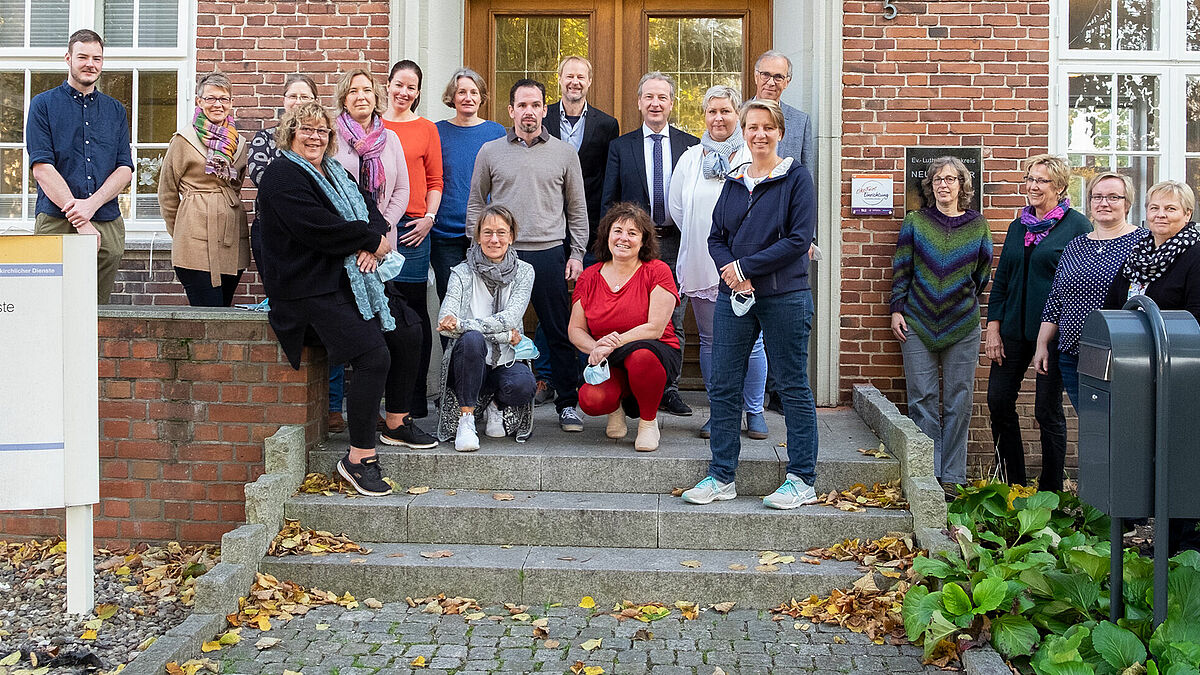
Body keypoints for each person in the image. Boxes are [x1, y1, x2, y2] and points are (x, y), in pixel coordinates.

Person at [256, 103, 437, 495]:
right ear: (290, 133)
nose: (315, 137)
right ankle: (358, 458)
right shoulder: (282, 175)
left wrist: (372, 245)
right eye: (306, 129)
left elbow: (370, 212)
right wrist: (368, 240)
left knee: (409, 328)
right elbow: (316, 229)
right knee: (373, 356)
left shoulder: (336, 172)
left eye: (322, 131)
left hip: (351, 275)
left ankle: (396, 421)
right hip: (307, 287)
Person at [681, 99, 818, 510]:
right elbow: (715, 237)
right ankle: (722, 475)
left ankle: (802, 479)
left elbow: (798, 240)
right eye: (752, 127)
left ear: (780, 133)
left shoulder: (797, 179)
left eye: (767, 127)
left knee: (792, 385)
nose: (760, 134)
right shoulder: (734, 181)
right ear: (744, 132)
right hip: (734, 297)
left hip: (785, 296)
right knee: (723, 386)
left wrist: (745, 266)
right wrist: (730, 269)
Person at [466, 78, 589, 433]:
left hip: (550, 252)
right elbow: (476, 203)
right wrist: (477, 248)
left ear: (544, 110)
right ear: (511, 111)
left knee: (559, 330)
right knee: (497, 331)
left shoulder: (564, 153)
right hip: (502, 257)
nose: (529, 111)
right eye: (522, 105)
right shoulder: (490, 151)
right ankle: (488, 404)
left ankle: (567, 402)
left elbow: (577, 208)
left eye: (535, 105)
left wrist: (576, 253)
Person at [1103, 180, 1200, 555]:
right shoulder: (1139, 252)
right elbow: (1115, 305)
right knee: (1147, 448)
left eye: (1171, 209)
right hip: (1138, 369)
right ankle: (1151, 528)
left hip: (1178, 370)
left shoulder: (1193, 255)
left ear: (1187, 215)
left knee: (1177, 452)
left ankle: (1179, 543)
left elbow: (1194, 316)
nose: (1161, 215)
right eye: (1155, 208)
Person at [667, 85, 769, 440]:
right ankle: (720, 412)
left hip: (743, 264)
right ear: (704, 116)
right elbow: (676, 207)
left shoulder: (751, 154)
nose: (718, 118)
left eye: (725, 111)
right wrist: (703, 237)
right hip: (701, 260)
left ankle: (754, 411)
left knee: (752, 340)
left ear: (737, 115)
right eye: (712, 112)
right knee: (710, 341)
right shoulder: (691, 158)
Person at [986, 154, 1092, 492]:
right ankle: (1013, 483)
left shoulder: (1078, 227)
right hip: (1013, 331)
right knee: (998, 400)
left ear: (1060, 187)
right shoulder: (1019, 226)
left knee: (1047, 411)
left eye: (1041, 180)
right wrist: (993, 327)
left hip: (1056, 332)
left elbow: (1079, 282)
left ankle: (1051, 491)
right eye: (1030, 179)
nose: (1033, 186)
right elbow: (1002, 279)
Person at [889, 156, 993, 498]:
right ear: (930, 186)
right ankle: (928, 473)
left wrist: (959, 300)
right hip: (916, 321)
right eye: (937, 180)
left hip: (963, 324)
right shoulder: (915, 222)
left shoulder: (977, 225)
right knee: (922, 398)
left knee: (959, 400)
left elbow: (982, 273)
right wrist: (897, 309)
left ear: (962, 185)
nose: (943, 185)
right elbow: (902, 268)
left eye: (951, 179)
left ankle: (953, 476)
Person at [601, 72, 699, 417]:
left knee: (673, 318)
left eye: (662, 98)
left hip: (675, 243)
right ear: (639, 102)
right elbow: (609, 202)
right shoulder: (621, 146)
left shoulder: (692, 146)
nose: (655, 104)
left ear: (672, 103)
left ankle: (668, 389)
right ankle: (629, 387)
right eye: (649, 97)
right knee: (629, 313)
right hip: (632, 247)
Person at [330, 68, 413, 437]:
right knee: (357, 334)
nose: (361, 96)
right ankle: (337, 410)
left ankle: (388, 414)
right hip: (347, 249)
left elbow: (402, 192)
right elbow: (330, 193)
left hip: (382, 246)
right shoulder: (331, 138)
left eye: (367, 90)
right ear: (343, 98)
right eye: (353, 91)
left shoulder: (390, 139)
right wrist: (362, 242)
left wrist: (379, 237)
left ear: (376, 97)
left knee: (395, 330)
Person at [535, 55, 621, 405]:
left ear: (589, 81)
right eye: (569, 75)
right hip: (548, 223)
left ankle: (589, 373)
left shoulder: (607, 124)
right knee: (551, 301)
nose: (575, 82)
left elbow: (607, 176)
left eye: (581, 76)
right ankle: (545, 376)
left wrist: (602, 228)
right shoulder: (542, 116)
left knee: (586, 303)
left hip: (588, 228)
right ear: (559, 79)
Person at [28, 29, 132, 304]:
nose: (90, 64)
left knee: (96, 310)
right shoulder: (43, 105)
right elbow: (42, 167)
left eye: (96, 58)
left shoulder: (115, 110)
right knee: (50, 306)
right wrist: (81, 219)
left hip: (106, 221)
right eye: (83, 57)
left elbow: (124, 168)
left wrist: (91, 205)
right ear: (68, 58)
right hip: (55, 220)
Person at [569, 202, 681, 452]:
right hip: (608, 356)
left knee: (641, 357)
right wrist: (597, 348)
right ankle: (617, 406)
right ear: (607, 235)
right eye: (617, 231)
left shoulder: (657, 271)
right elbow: (575, 330)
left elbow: (654, 328)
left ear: (643, 241)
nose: (623, 238)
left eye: (633, 233)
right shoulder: (589, 276)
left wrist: (612, 342)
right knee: (591, 400)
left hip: (654, 352)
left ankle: (648, 424)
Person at [1033, 172, 1140, 410]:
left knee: (1121, 427)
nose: (1104, 203)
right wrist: (1042, 344)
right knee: (1093, 428)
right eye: (1097, 197)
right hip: (1073, 355)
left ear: (1127, 203)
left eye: (1114, 197)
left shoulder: (1142, 243)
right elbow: (1056, 299)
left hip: (1122, 355)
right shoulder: (1076, 245)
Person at [436, 204, 537, 451]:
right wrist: (503, 334)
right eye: (488, 232)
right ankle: (467, 419)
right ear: (477, 236)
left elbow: (511, 318)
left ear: (511, 236)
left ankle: (496, 406)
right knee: (471, 340)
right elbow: (444, 324)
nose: (494, 239)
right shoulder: (461, 273)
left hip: (506, 361)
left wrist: (463, 324)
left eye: (501, 232)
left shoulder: (525, 272)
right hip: (469, 362)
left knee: (525, 386)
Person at [158, 72, 249, 307]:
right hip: (194, 237)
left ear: (231, 103)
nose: (217, 104)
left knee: (224, 311)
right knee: (206, 313)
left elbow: (235, 186)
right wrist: (180, 231)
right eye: (210, 98)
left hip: (230, 238)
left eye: (224, 99)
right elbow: (167, 192)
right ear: (199, 101)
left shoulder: (239, 143)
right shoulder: (183, 140)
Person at [383, 59, 442, 417]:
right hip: (381, 229)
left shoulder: (426, 129)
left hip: (416, 230)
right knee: (382, 313)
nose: (404, 92)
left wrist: (429, 220)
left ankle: (415, 398)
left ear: (418, 93)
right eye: (399, 84)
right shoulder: (372, 126)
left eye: (412, 87)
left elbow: (435, 182)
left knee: (415, 315)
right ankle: (387, 399)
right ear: (387, 85)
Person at [433, 68, 505, 300]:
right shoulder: (436, 131)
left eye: (474, 92)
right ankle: (452, 339)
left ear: (481, 97)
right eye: (461, 92)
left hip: (486, 232)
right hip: (445, 231)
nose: (468, 97)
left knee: (485, 297)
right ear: (452, 97)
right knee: (451, 297)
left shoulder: (496, 132)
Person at [247, 74, 320, 269]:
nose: (298, 102)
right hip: (271, 229)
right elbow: (260, 178)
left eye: (305, 97)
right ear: (284, 100)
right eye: (293, 96)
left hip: (311, 230)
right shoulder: (265, 138)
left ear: (315, 101)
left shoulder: (320, 141)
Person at [750, 50, 814, 171]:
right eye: (765, 75)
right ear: (756, 76)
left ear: (786, 82)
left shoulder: (800, 121)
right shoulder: (737, 115)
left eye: (778, 77)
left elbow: (807, 172)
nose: (770, 82)